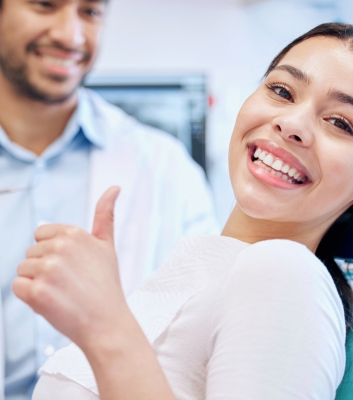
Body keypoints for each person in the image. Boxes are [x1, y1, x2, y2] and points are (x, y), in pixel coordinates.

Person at [14, 22, 353, 399]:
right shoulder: (201, 270)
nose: (291, 124)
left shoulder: (285, 272)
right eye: (282, 90)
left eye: (340, 123)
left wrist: (105, 326)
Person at [0, 0, 218, 398]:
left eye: (90, 12)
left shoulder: (168, 170)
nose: (70, 35)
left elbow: (201, 343)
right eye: (45, 5)